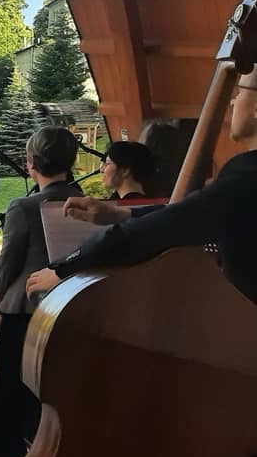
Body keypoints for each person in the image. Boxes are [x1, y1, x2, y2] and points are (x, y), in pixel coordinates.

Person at [26, 67, 257, 308]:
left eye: (240, 92)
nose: (232, 102)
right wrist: (122, 214)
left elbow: (174, 222)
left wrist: (66, 268)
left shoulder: (248, 173)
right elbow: (186, 214)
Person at [0, 126, 82, 457]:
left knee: (9, 400)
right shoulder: (89, 205)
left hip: (25, 314)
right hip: (71, 313)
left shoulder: (24, 207)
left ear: (30, 163)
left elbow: (8, 262)